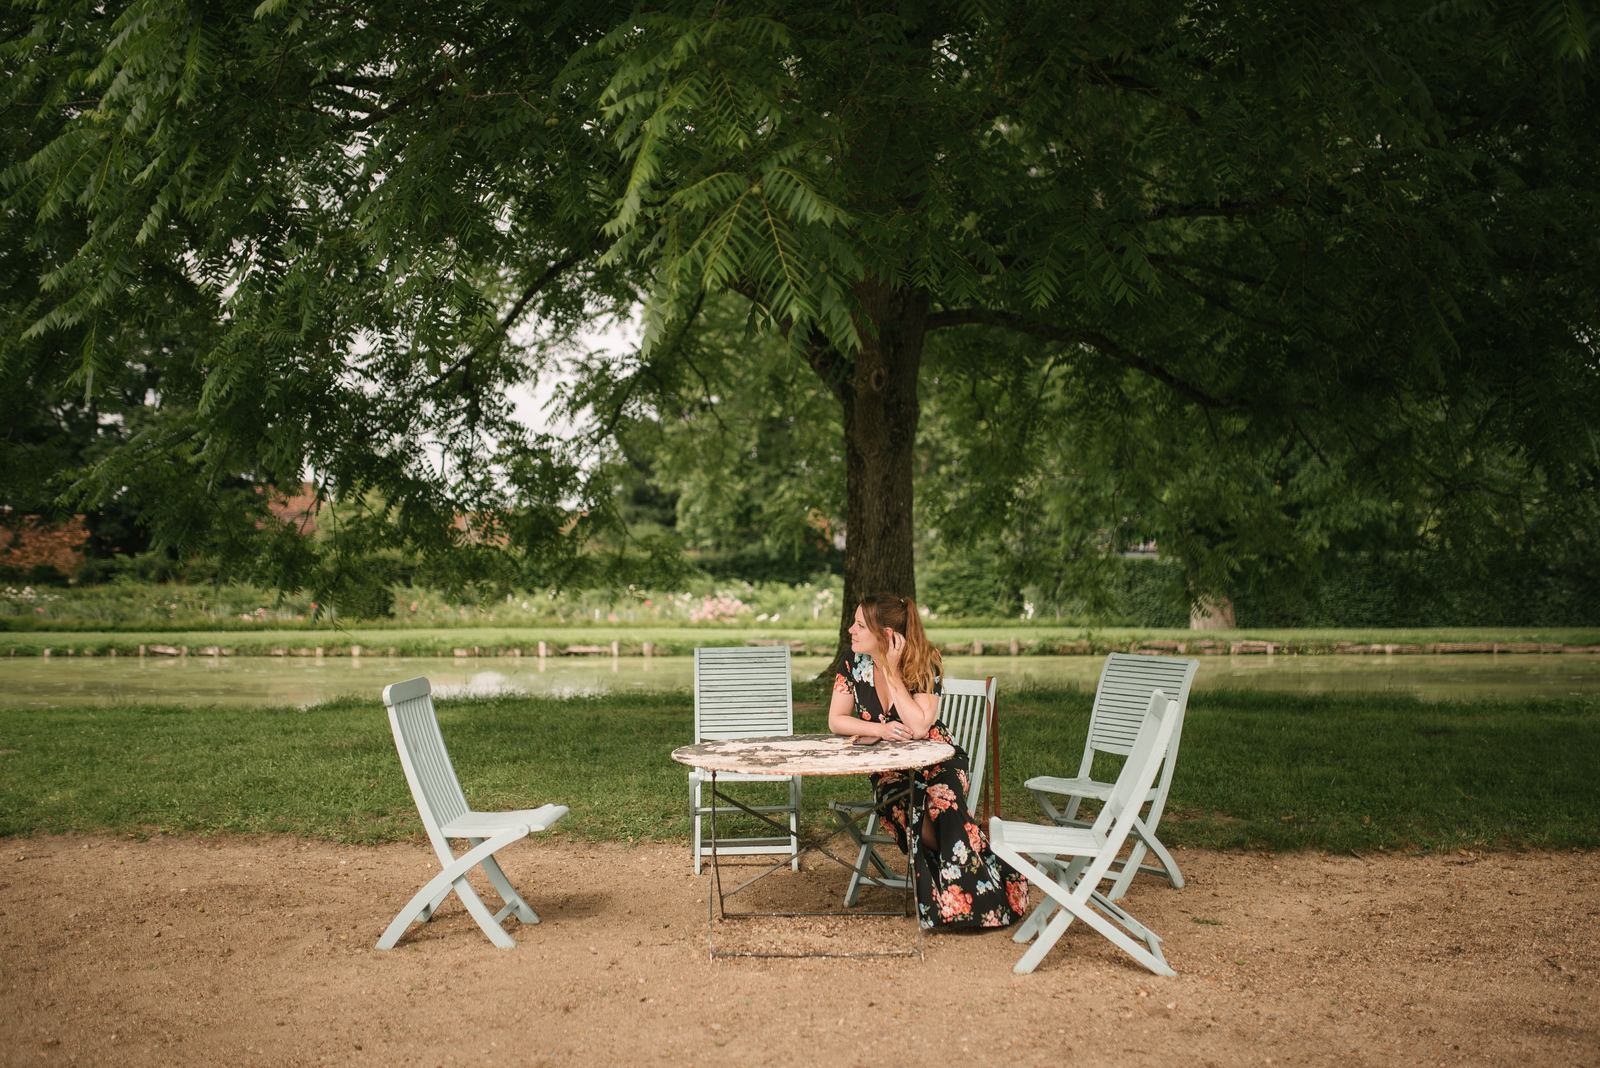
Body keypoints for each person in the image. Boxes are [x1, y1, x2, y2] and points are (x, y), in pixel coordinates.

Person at [828, 592, 1029, 929]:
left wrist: (892, 673)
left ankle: (958, 902)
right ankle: (976, 890)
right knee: (912, 807)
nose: (851, 630)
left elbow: (920, 727)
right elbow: (836, 720)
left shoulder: (924, 659)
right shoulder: (853, 663)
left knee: (942, 805)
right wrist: (879, 728)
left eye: (860, 625)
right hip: (889, 768)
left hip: (938, 758)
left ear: (887, 634)